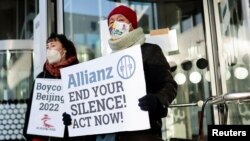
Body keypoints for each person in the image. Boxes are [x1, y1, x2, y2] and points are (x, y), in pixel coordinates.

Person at [103, 5, 178, 141]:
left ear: (131, 25)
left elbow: (169, 85)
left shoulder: (150, 51)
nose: (115, 24)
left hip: (143, 132)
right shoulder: (107, 60)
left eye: (120, 20)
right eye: (111, 22)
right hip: (113, 134)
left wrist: (156, 100)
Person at [23, 33, 90, 141]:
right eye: (47, 47)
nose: (49, 50)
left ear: (64, 50)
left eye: (53, 45)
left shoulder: (79, 75)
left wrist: (75, 119)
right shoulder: (41, 78)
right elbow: (31, 112)